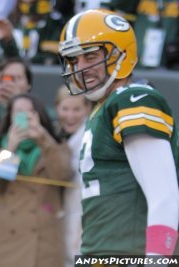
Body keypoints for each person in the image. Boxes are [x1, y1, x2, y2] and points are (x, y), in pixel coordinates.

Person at [58, 8, 179, 259]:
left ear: (121, 54)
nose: (80, 68)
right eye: (74, 60)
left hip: (129, 254)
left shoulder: (133, 100)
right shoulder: (101, 109)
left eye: (90, 56)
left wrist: (156, 261)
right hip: (101, 253)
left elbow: (164, 195)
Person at [0, 93, 72, 267]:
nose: (25, 117)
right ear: (10, 117)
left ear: (40, 115)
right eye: (19, 112)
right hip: (10, 241)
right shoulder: (2, 148)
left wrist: (43, 139)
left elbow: (62, 174)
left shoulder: (54, 145)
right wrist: (10, 148)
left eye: (31, 112)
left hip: (44, 241)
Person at [54, 84, 91, 267]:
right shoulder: (54, 135)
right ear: (57, 108)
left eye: (76, 109)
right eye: (65, 108)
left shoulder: (89, 138)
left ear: (87, 109)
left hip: (83, 218)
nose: (70, 115)